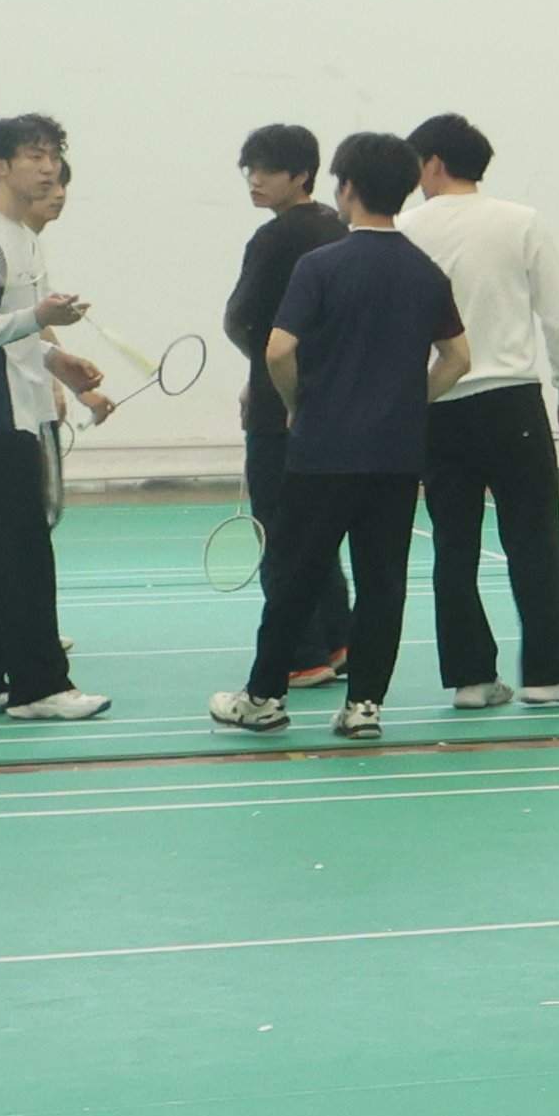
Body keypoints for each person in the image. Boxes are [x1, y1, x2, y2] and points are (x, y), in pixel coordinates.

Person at [210, 129, 465, 742]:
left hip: (323, 452)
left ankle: (263, 697)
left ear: (346, 188)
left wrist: (297, 405)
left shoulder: (320, 266)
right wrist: (411, 403)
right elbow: (457, 358)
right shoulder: (426, 271)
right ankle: (364, 707)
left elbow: (278, 350)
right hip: (395, 457)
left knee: (296, 573)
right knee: (383, 581)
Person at [399, 111, 559, 711]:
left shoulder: (404, 229)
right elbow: (558, 316)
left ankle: (471, 678)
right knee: (535, 539)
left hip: (438, 401)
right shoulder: (521, 221)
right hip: (511, 401)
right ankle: (549, 674)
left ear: (434, 163)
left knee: (453, 546)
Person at [0, 114, 115, 722]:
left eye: (53, 155)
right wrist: (39, 318)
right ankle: (40, 688)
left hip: (18, 410)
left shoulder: (23, 235)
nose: (49, 167)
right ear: (0, 165)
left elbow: (18, 331)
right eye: (35, 156)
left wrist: (61, 362)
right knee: (19, 552)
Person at [226, 127, 345, 694]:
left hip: (280, 407)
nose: (255, 179)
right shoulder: (339, 229)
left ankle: (300, 655)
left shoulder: (273, 239)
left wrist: (261, 374)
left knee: (279, 530)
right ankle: (338, 639)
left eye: (267, 170)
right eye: (249, 168)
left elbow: (241, 319)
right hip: (336, 404)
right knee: (321, 528)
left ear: (301, 175)